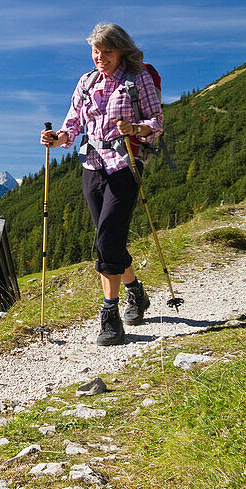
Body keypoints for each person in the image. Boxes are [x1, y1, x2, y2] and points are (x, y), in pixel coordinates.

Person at [42, 22, 163, 346]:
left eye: (106, 51)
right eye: (95, 51)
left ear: (121, 49)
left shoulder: (138, 79)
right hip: (91, 165)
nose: (100, 57)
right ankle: (136, 292)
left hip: (125, 164)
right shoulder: (87, 82)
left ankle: (109, 316)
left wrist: (135, 128)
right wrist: (58, 138)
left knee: (108, 238)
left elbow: (157, 123)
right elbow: (73, 123)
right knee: (107, 237)